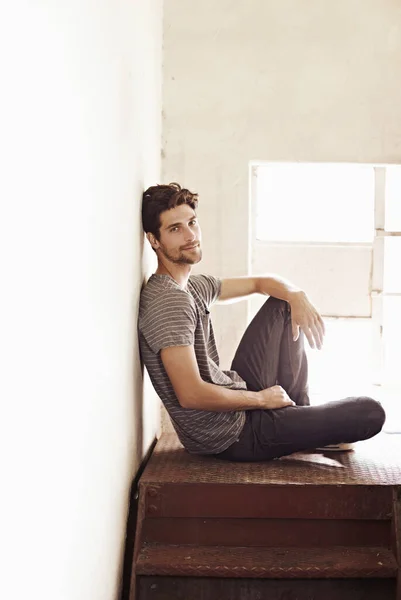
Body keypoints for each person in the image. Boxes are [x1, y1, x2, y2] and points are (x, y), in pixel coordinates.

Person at [138, 182, 385, 461]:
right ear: (154, 240)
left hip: (237, 406)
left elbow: (261, 282)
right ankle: (297, 422)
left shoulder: (192, 286)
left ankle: (297, 415)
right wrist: (262, 400)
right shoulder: (169, 301)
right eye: (175, 229)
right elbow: (191, 394)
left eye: (192, 223)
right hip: (230, 436)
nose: (190, 235)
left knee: (283, 302)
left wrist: (297, 296)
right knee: (370, 412)